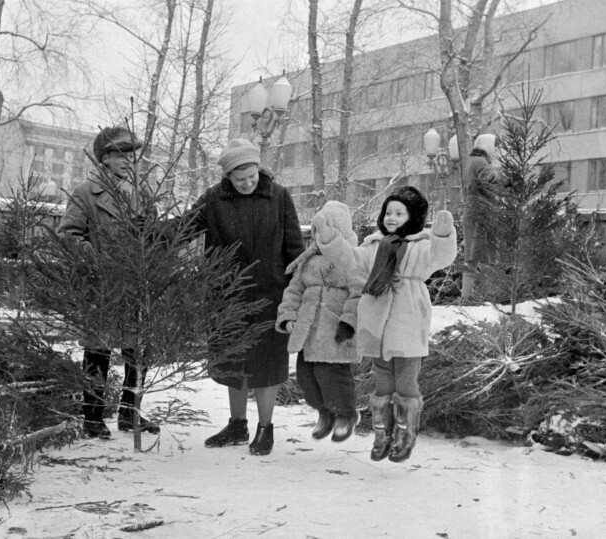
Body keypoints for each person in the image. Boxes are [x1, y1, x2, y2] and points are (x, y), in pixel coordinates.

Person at [313, 185, 457, 463]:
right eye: (388, 212)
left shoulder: (421, 246)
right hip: (376, 323)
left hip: (407, 320)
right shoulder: (373, 246)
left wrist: (442, 235)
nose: (391, 217)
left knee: (405, 380)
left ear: (413, 217)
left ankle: (405, 436)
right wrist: (329, 238)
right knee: (382, 383)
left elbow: (441, 257)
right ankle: (384, 434)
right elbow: (350, 262)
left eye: (399, 213)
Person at [182, 138, 305, 456]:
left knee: (268, 364)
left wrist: (297, 293)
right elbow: (184, 229)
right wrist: (149, 233)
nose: (247, 183)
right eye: (240, 179)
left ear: (258, 169)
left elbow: (294, 247)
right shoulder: (213, 199)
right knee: (233, 361)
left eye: (251, 176)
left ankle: (266, 429)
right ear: (228, 178)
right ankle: (237, 425)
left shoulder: (279, 196)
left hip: (271, 293)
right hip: (227, 294)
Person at [57, 125, 160, 439]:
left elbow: (155, 237)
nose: (129, 160)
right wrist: (95, 261)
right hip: (101, 286)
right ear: (104, 158)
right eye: (120, 154)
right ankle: (93, 418)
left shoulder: (141, 193)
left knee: (137, 352)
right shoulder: (86, 192)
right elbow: (67, 236)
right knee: (97, 352)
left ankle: (130, 415)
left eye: (132, 154)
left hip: (135, 286)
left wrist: (149, 230)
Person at [275, 201, 363, 443]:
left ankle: (345, 414)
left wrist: (349, 321)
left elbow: (359, 292)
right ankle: (325, 411)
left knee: (332, 375)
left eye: (326, 228)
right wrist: (289, 316)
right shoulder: (308, 260)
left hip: (335, 331)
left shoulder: (351, 258)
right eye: (317, 229)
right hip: (309, 331)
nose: (319, 235)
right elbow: (294, 291)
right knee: (307, 378)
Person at [460, 133, 498, 297]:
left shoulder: (472, 162)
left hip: (475, 210)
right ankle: (475, 297)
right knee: (480, 256)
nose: (496, 151)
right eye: (495, 147)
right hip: (480, 211)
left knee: (474, 255)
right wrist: (510, 180)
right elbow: (490, 178)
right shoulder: (480, 161)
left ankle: (468, 296)